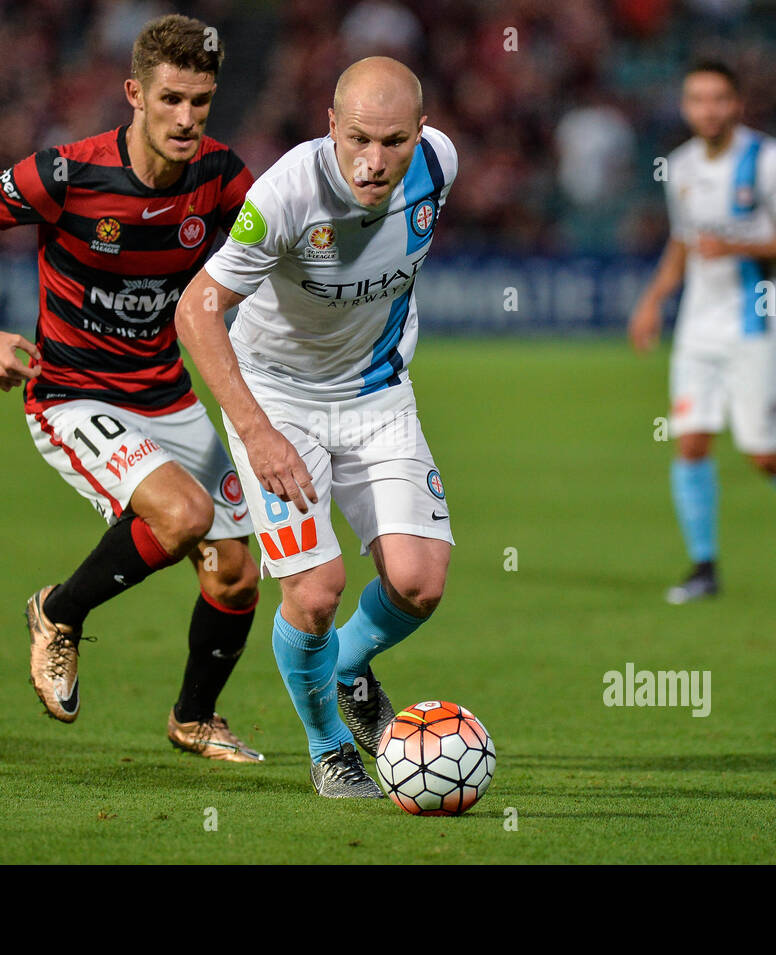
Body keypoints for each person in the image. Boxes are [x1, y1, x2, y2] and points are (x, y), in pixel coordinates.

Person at [0, 14, 264, 761]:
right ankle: (57, 611)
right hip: (72, 393)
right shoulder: (67, 173)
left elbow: (267, 262)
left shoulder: (224, 177)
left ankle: (194, 717)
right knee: (181, 516)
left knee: (238, 574)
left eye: (200, 102)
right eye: (171, 99)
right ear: (134, 93)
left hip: (165, 392)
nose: (186, 119)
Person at [175, 56, 457, 796]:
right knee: (317, 590)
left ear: (422, 133)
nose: (374, 161)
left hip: (378, 395)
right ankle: (328, 745)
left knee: (419, 581)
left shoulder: (440, 168)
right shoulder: (286, 195)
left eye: (394, 141)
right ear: (330, 125)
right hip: (278, 401)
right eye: (358, 138)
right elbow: (196, 310)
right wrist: (257, 432)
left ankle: (345, 669)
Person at [629, 61, 776, 605]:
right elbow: (684, 242)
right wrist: (654, 298)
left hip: (760, 319)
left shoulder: (773, 161)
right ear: (686, 107)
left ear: (737, 105)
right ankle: (705, 567)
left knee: (764, 454)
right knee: (691, 442)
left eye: (718, 99)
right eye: (697, 99)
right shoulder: (680, 166)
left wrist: (738, 246)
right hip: (699, 324)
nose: (708, 109)